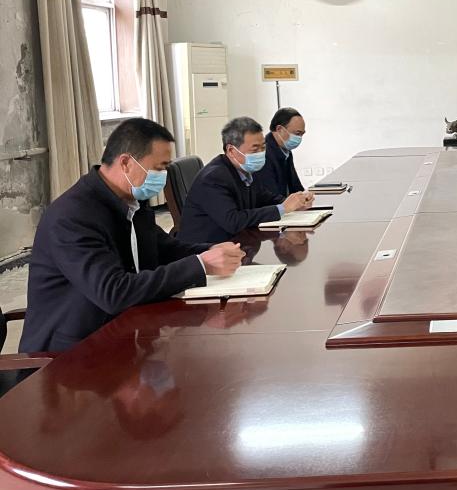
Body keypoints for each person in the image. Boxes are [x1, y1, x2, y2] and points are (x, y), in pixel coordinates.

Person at [20, 118, 243, 353]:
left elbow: (165, 249)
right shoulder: (72, 216)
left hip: (126, 332)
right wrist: (201, 265)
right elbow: (113, 291)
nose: (163, 175)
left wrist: (212, 250)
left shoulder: (131, 201)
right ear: (126, 163)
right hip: (71, 354)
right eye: (159, 167)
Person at [178, 116, 315, 244]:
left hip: (238, 243)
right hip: (206, 249)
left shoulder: (246, 169)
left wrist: (297, 202)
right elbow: (233, 221)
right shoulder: (214, 178)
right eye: (255, 150)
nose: (261, 154)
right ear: (231, 151)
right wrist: (283, 208)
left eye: (263, 148)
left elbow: (264, 198)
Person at [254, 107, 306, 197]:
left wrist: (304, 197)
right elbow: (270, 196)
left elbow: (296, 187)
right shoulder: (264, 154)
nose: (299, 138)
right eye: (297, 133)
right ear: (279, 129)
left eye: (302, 134)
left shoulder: (286, 152)